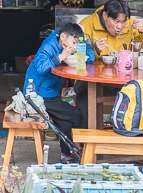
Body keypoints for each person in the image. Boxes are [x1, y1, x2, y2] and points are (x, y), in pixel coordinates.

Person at [23, 22, 92, 163]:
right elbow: (41, 67)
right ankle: (86, 150)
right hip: (37, 96)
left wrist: (86, 40)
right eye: (73, 42)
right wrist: (61, 56)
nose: (73, 47)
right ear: (62, 36)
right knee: (77, 114)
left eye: (76, 43)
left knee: (65, 124)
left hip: (51, 95)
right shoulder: (49, 45)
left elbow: (89, 59)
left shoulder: (65, 44)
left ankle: (67, 155)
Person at [79, 0, 143, 55]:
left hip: (123, 71)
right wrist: (95, 49)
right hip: (93, 75)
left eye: (123, 22)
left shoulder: (130, 24)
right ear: (105, 16)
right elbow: (78, 57)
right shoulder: (86, 25)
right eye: (116, 21)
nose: (120, 26)